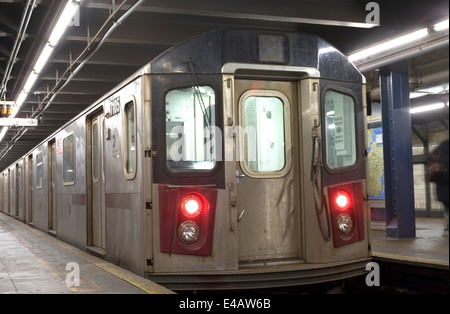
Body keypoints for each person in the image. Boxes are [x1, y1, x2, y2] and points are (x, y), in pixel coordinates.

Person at [426, 139, 449, 236]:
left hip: (442, 187)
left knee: (447, 207)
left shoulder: (438, 150)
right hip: (444, 185)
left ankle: (447, 227)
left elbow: (428, 160)